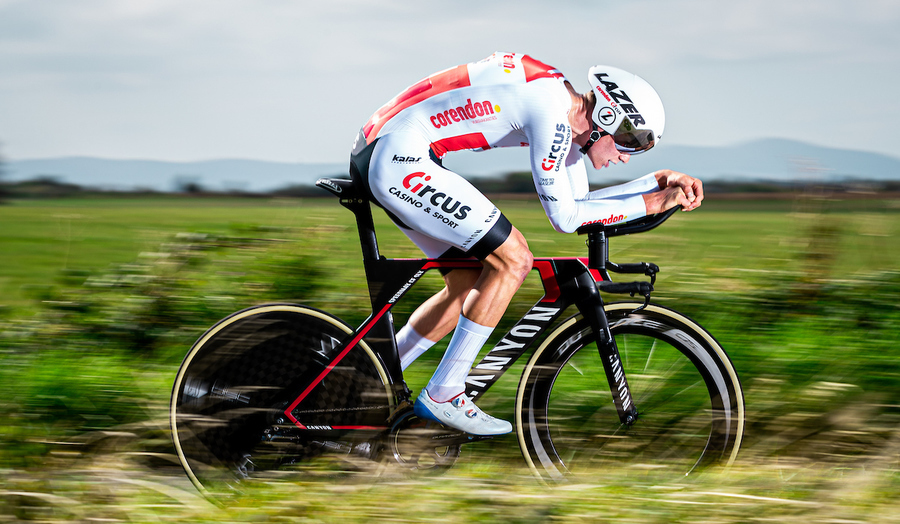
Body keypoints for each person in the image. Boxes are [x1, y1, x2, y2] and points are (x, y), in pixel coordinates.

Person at [349, 52, 703, 436]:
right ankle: (445, 393)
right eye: (631, 141)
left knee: (469, 283)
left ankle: (364, 380)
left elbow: (582, 203)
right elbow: (565, 219)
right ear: (606, 118)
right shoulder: (550, 113)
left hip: (392, 151)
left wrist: (653, 185)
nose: (627, 154)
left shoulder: (558, 104)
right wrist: (649, 202)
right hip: (400, 157)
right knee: (513, 259)